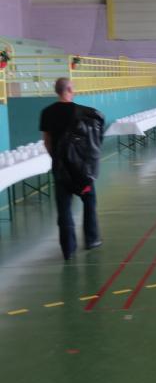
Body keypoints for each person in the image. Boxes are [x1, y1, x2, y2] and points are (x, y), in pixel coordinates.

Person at [39, 77, 104, 261]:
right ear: (68, 89)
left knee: (64, 208)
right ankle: (91, 239)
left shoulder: (46, 113)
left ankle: (68, 248)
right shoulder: (82, 112)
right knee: (89, 201)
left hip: (61, 169)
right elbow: (92, 140)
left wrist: (56, 158)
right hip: (81, 169)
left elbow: (47, 141)